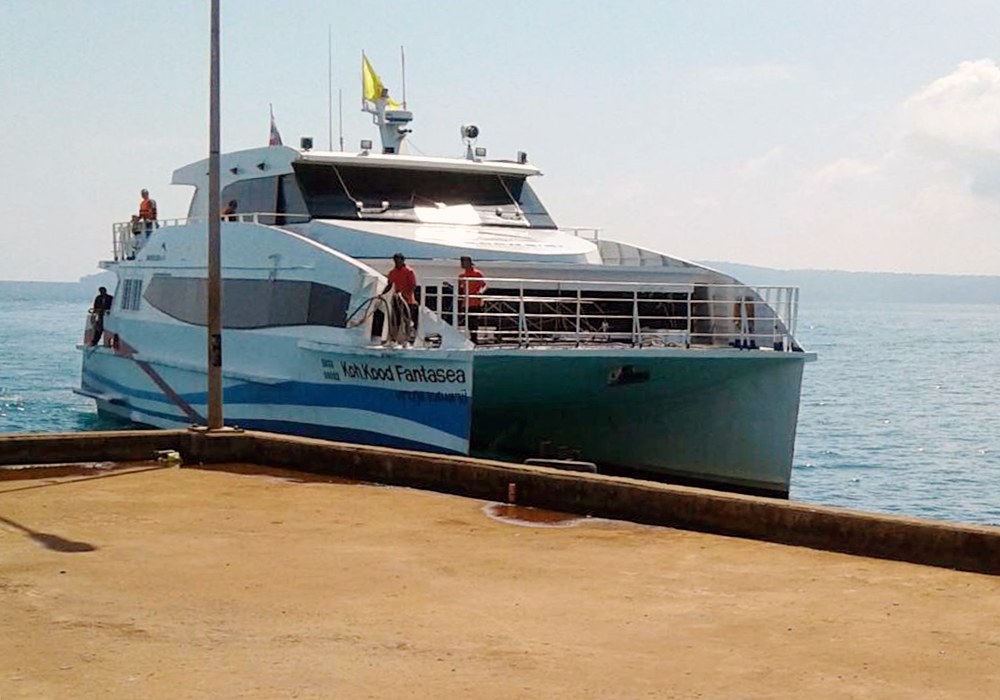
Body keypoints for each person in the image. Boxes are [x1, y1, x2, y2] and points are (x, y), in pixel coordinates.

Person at [382, 253, 419, 340]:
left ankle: (409, 337)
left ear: (403, 260)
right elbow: (389, 285)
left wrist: (406, 293)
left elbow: (413, 285)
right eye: (395, 260)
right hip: (396, 299)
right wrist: (382, 294)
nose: (396, 262)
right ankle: (394, 338)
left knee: (408, 319)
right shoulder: (392, 272)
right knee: (395, 319)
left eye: (398, 260)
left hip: (408, 301)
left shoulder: (409, 271)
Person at [458, 255, 487, 343]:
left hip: (475, 301)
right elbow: (459, 289)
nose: (462, 263)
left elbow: (484, 285)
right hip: (465, 302)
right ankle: (471, 337)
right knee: (468, 321)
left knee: (473, 320)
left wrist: (481, 292)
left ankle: (474, 338)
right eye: (461, 261)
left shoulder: (477, 274)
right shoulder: (461, 275)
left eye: (464, 262)